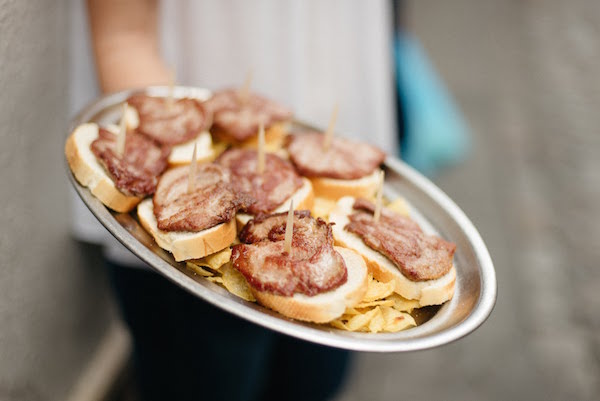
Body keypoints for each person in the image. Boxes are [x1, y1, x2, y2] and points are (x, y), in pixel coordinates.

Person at [72, 1, 398, 400]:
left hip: (344, 136)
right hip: (186, 207)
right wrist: (172, 174)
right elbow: (123, 35)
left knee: (314, 384)